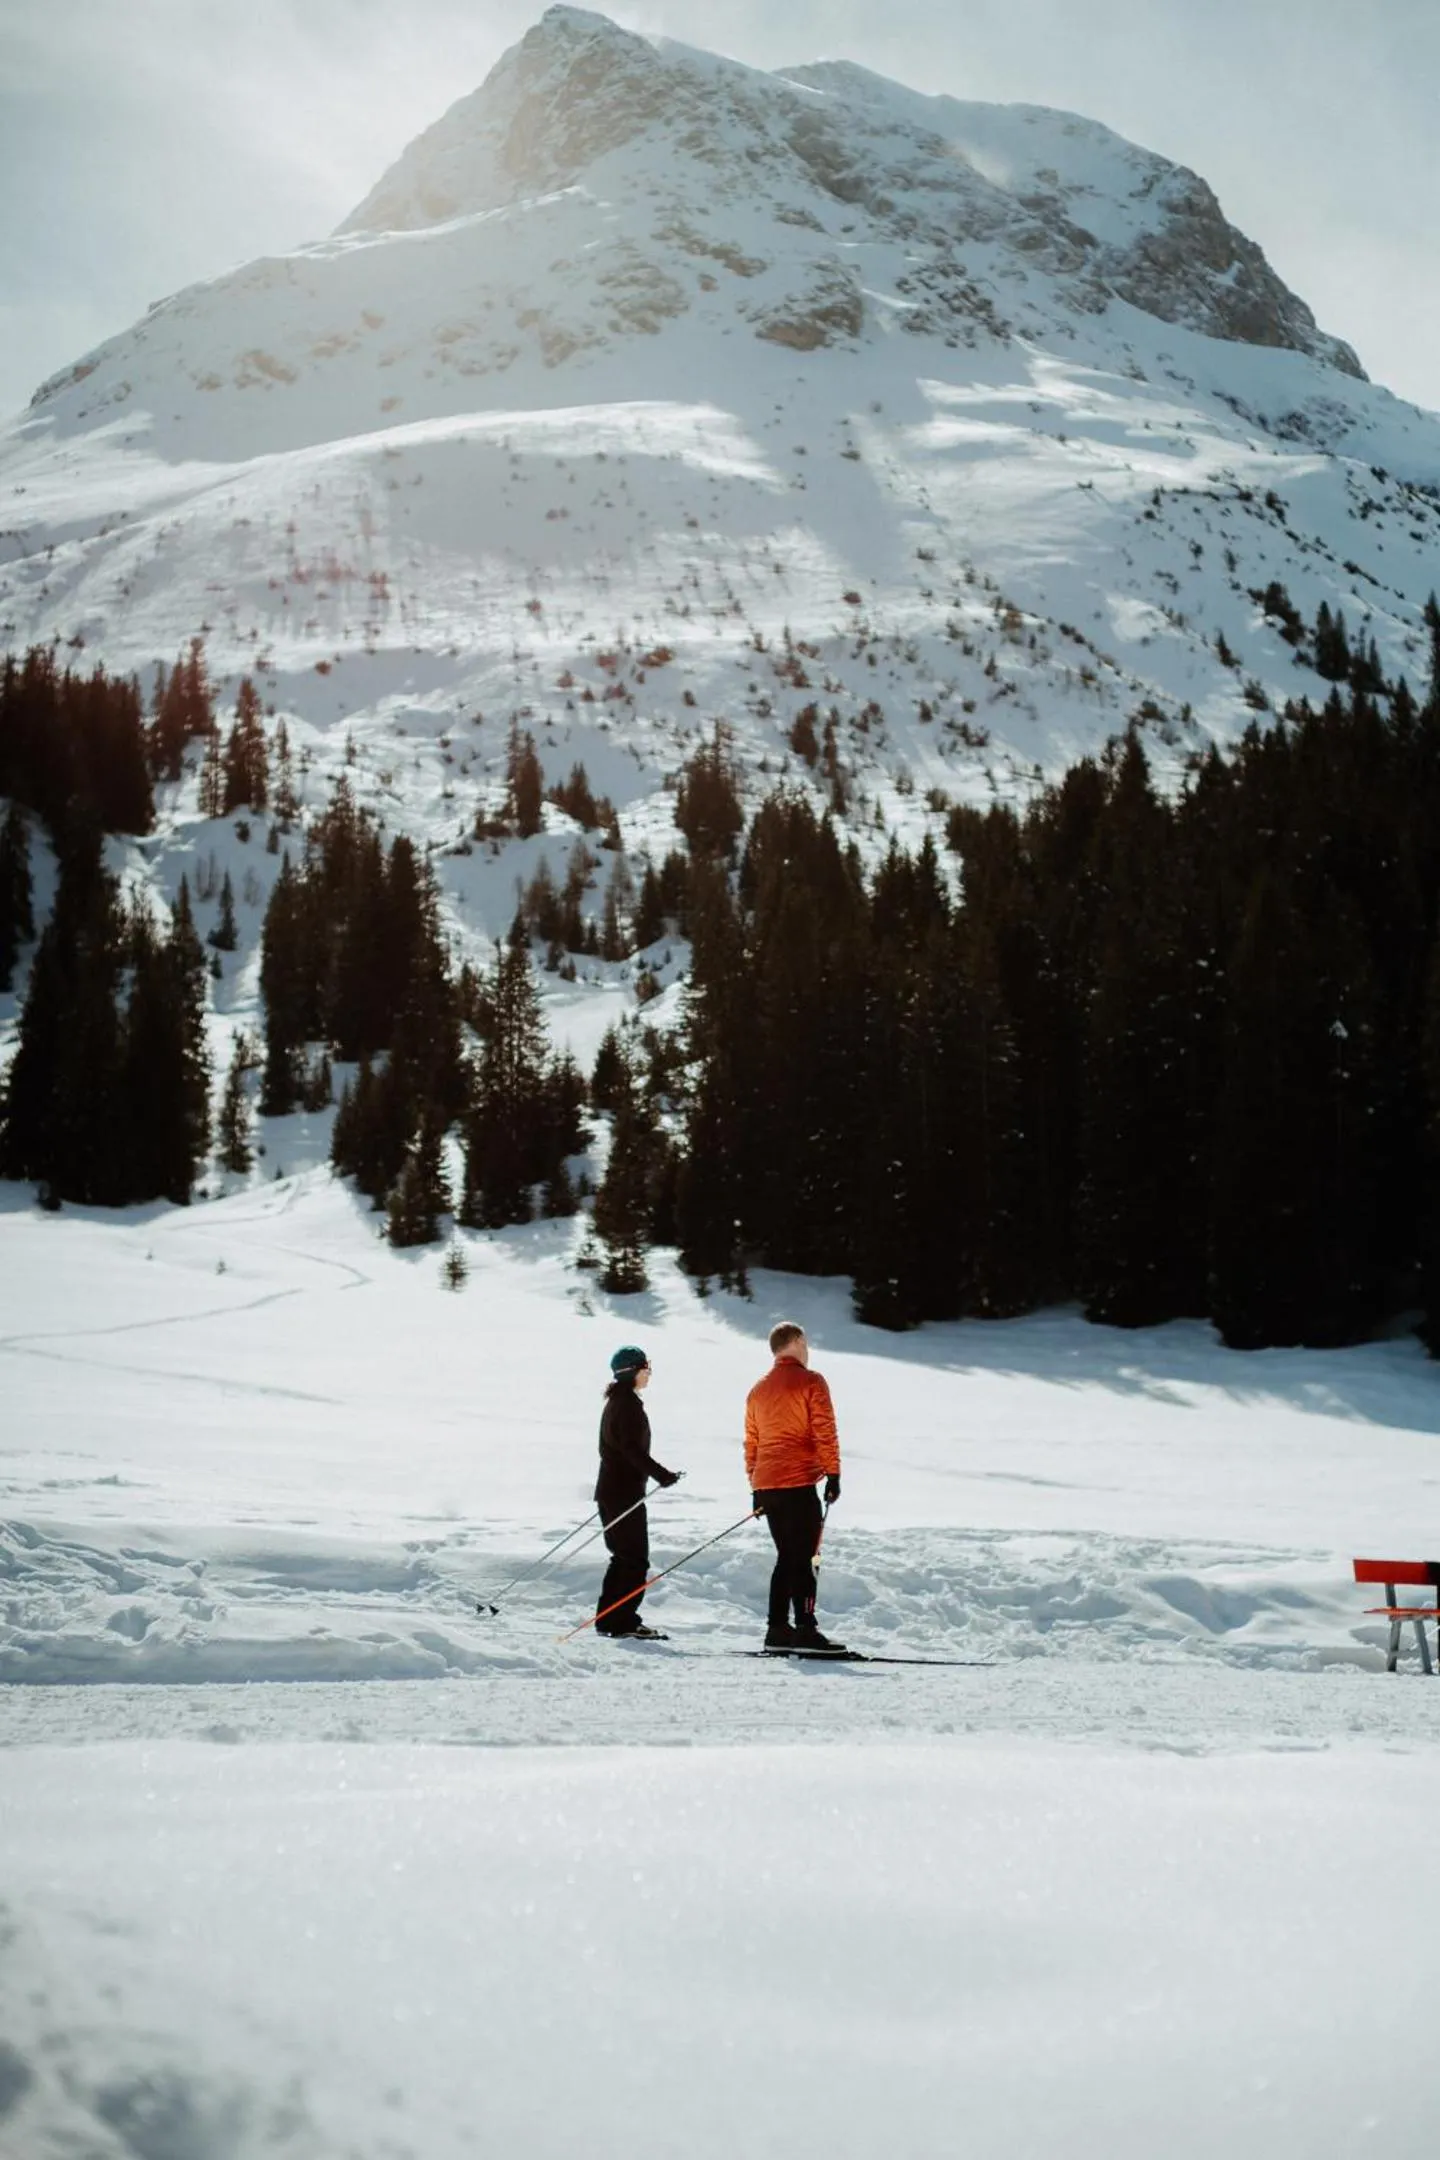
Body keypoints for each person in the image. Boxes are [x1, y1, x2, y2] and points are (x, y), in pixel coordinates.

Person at [744, 1321, 844, 1651]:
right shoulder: (811, 1381)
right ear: (797, 1341)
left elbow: (752, 1442)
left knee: (787, 1555)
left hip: (768, 1484)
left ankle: (777, 1629)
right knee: (803, 1556)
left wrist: (755, 1487)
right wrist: (833, 1474)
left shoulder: (758, 1389)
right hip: (797, 1480)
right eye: (806, 1342)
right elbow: (823, 1430)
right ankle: (804, 1629)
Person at [594, 1344, 679, 1638]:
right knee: (634, 1560)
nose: (649, 1375)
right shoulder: (627, 1404)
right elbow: (631, 1450)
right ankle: (622, 1621)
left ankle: (609, 1619)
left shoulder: (618, 1401)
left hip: (612, 1491)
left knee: (623, 1557)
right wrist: (662, 1475)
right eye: (646, 1369)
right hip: (622, 1492)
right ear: (633, 1372)